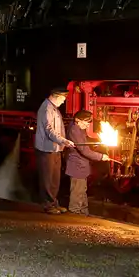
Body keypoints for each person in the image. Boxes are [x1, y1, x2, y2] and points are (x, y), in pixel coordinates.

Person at [34, 86, 75, 214]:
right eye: (62, 99)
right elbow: (49, 130)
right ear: (55, 96)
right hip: (46, 149)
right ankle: (48, 204)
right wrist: (63, 140)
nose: (63, 101)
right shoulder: (46, 108)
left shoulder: (54, 108)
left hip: (55, 148)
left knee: (55, 178)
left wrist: (62, 142)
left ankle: (53, 202)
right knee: (47, 178)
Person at [65, 110, 109, 215]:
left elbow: (85, 143)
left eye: (89, 123)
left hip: (81, 166)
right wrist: (100, 156)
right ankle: (75, 213)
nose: (87, 125)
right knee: (77, 192)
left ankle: (84, 212)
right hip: (77, 166)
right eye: (86, 122)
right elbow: (84, 150)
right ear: (78, 120)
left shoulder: (79, 128)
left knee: (82, 191)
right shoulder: (74, 131)